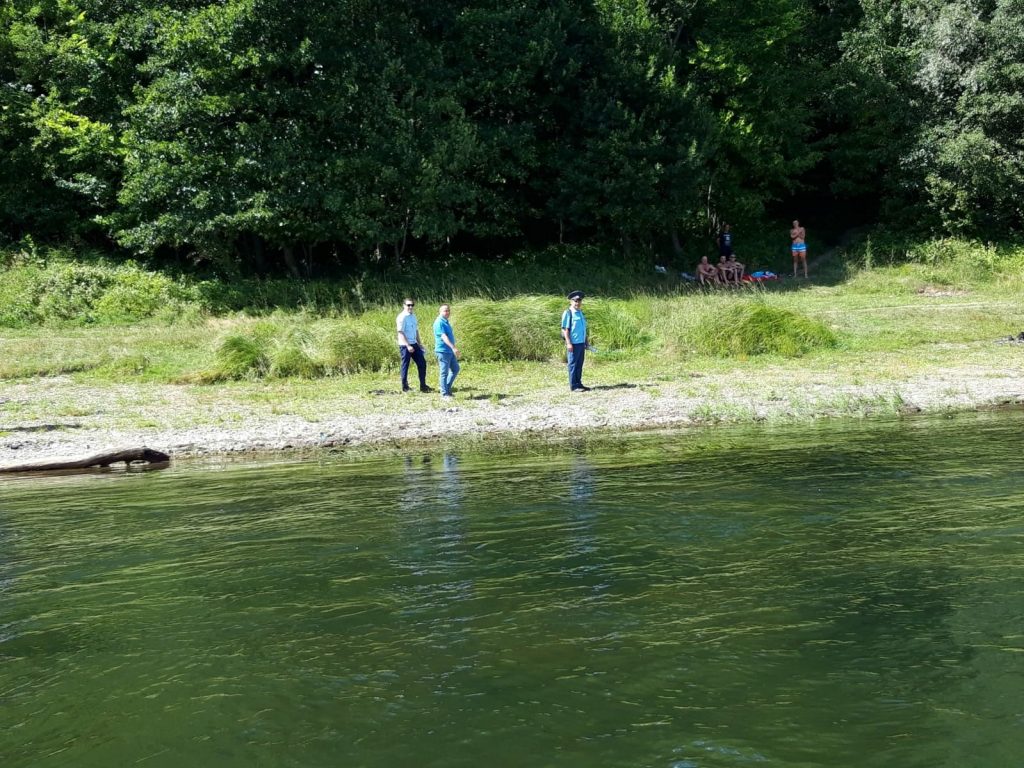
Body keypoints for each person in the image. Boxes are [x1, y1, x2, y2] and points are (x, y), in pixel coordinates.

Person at [396, 297, 431, 392]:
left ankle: (423, 386)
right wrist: (408, 345)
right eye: (408, 305)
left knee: (422, 363)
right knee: (405, 365)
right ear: (404, 305)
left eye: (412, 305)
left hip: (414, 344)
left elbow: (416, 330)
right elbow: (401, 332)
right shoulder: (401, 317)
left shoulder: (413, 316)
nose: (410, 307)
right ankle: (405, 387)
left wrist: (420, 344)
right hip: (405, 345)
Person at [561, 290, 590, 392]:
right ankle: (574, 386)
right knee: (573, 364)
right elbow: (565, 329)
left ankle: (579, 383)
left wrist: (586, 341)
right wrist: (568, 343)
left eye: (579, 301)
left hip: (581, 343)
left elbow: (583, 329)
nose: (578, 303)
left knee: (579, 364)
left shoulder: (580, 313)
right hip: (573, 344)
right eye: (575, 301)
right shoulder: (568, 313)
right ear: (571, 301)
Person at [433, 303, 460, 399]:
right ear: (440, 312)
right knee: (444, 372)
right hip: (443, 351)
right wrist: (453, 348)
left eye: (448, 310)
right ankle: (444, 394)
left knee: (455, 369)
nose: (447, 312)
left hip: (449, 351)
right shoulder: (439, 322)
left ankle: (447, 389)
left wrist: (452, 348)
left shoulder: (445, 321)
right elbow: (443, 336)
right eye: (445, 310)